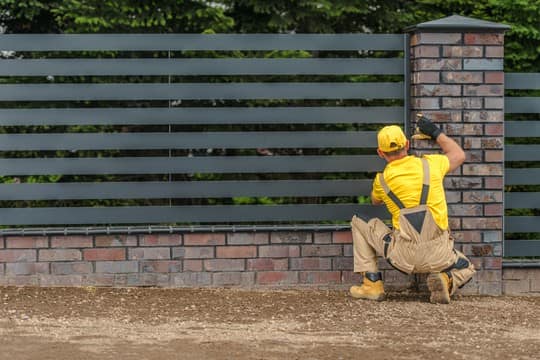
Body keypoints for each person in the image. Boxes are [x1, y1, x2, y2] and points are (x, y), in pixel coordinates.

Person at [349, 116, 476, 304]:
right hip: (440, 256)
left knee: (358, 221)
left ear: (380, 152)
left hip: (403, 257)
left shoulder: (382, 181)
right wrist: (435, 133)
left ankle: (372, 284)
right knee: (467, 267)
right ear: (407, 144)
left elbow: (375, 201)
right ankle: (447, 279)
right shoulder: (431, 165)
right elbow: (459, 155)